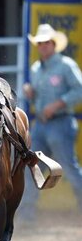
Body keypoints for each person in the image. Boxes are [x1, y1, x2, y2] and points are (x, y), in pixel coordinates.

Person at [20, 23, 82, 218]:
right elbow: (37, 98)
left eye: (46, 43)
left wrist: (57, 104)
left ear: (54, 44)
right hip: (41, 125)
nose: (43, 46)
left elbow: (79, 90)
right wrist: (31, 94)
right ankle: (26, 216)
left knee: (69, 168)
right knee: (32, 167)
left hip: (61, 123)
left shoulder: (66, 65)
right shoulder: (37, 68)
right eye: (40, 43)